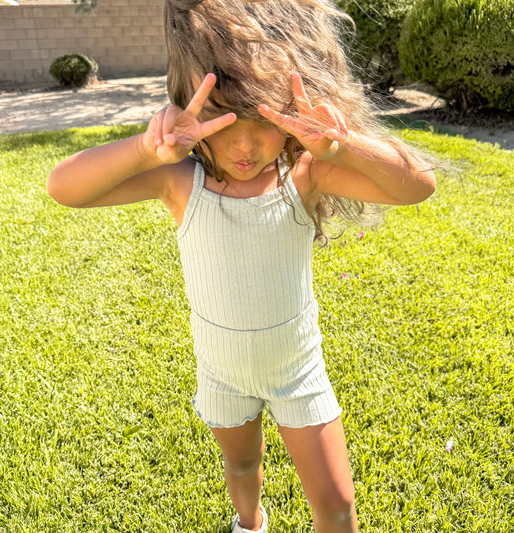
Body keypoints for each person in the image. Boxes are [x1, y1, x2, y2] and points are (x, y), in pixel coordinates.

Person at [48, 1, 436, 531]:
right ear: (191, 106)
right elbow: (64, 188)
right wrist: (145, 149)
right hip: (222, 371)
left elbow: (417, 186)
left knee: (338, 500)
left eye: (264, 121)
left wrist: (344, 147)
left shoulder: (304, 175)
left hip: (297, 371)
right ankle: (250, 523)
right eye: (220, 118)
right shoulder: (180, 181)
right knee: (242, 463)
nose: (245, 144)